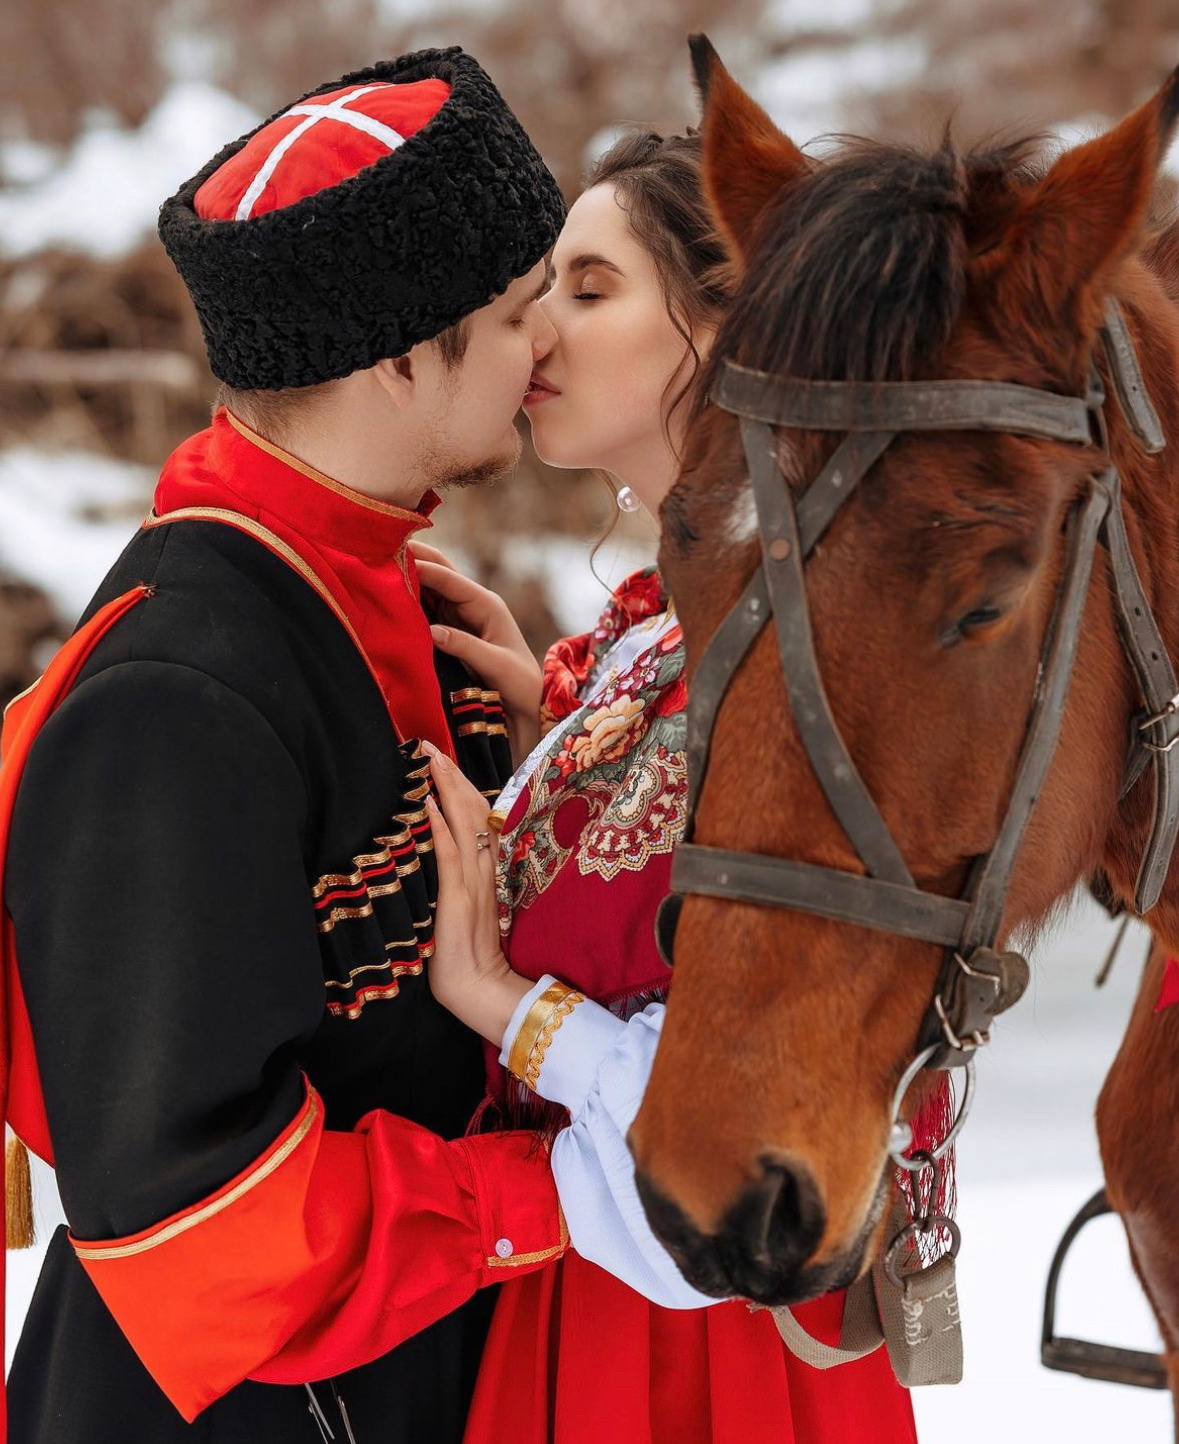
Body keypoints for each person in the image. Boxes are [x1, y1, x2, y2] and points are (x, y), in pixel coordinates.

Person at [0, 46, 649, 1444]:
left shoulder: (389, 602)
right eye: (516, 311)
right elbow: (199, 1223)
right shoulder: (173, 701)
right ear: (398, 356)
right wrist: (561, 1195)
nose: (545, 348)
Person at [419, 130, 923, 1442]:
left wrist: (502, 1004)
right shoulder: (668, 639)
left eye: (589, 290)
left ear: (727, 323)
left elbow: (757, 1117)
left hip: (696, 1334)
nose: (537, 334)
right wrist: (572, 710)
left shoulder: (794, 657)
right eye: (538, 294)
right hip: (584, 1308)